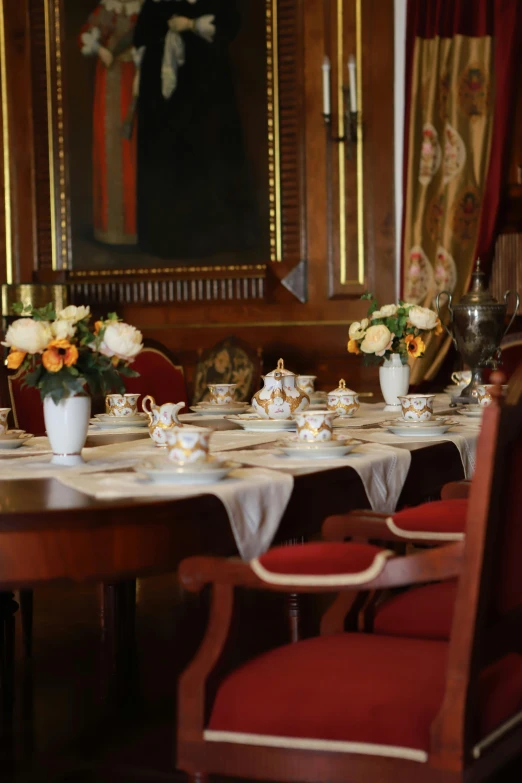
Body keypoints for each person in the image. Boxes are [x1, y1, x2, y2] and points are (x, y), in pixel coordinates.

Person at [133, 0, 259, 259]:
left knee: (209, 156)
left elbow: (230, 25)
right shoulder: (157, 4)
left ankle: (217, 236)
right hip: (165, 102)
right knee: (169, 161)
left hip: (207, 93)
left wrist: (190, 25)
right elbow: (141, 36)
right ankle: (166, 237)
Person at [80, 0, 143, 246]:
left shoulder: (144, 8)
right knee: (110, 148)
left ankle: (136, 228)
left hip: (136, 78)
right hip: (110, 81)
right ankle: (111, 229)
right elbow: (85, 35)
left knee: (134, 150)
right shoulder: (109, 8)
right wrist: (100, 49)